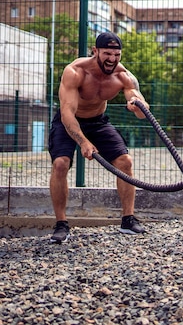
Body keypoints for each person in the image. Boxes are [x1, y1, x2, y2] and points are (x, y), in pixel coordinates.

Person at [48, 31, 150, 243]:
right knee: (60, 163)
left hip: (98, 121)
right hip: (69, 121)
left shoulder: (123, 76)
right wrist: (83, 142)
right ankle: (61, 224)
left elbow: (140, 108)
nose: (112, 59)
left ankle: (128, 220)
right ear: (95, 51)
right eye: (107, 54)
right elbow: (67, 112)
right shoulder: (75, 72)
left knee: (125, 162)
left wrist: (138, 105)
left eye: (116, 55)